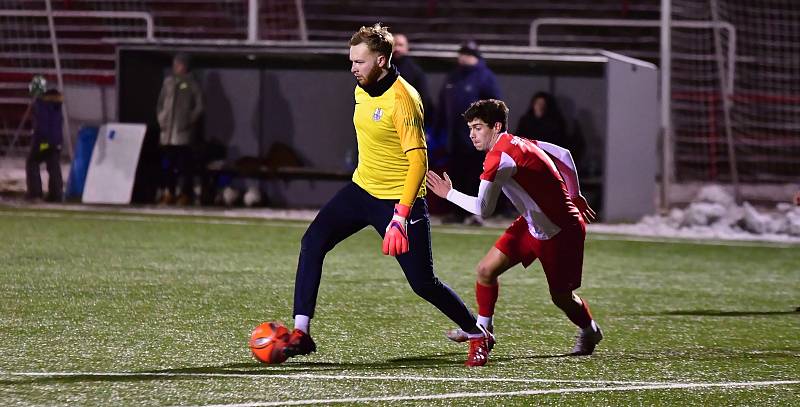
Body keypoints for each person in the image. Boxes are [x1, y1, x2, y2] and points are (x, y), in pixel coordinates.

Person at [280, 24, 493, 367]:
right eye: (351, 61)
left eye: (359, 62)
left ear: (381, 60)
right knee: (312, 242)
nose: (353, 68)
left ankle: (477, 332)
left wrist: (400, 214)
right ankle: (301, 332)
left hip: (399, 200)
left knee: (423, 283)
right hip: (362, 189)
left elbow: (419, 160)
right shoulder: (361, 87)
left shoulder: (404, 99)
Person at [426, 99, 604, 356]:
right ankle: (484, 333)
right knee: (486, 270)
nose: (472, 134)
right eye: (470, 128)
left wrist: (449, 194)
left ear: (496, 126)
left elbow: (483, 209)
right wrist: (575, 194)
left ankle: (590, 330)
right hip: (532, 223)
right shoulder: (519, 141)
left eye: (477, 127)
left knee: (562, 298)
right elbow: (564, 155)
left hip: (560, 232)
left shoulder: (499, 158)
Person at [434, 41, 501, 224]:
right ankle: (458, 212)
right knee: (456, 175)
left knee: (475, 176)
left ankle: (476, 213)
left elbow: (494, 106)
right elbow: (443, 104)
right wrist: (438, 129)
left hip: (477, 139)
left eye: (468, 54)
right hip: (454, 137)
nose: (464, 57)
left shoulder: (484, 77)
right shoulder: (453, 77)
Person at [156, 52, 204, 206]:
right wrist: (161, 119)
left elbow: (200, 106)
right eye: (175, 64)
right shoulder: (168, 82)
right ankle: (168, 192)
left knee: (184, 166)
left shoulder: (192, 83)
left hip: (183, 135)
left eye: (179, 64)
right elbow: (160, 103)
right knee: (167, 166)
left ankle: (184, 194)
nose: (176, 67)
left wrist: (188, 121)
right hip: (167, 134)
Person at [515, 91, 584, 166]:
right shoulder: (526, 121)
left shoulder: (556, 123)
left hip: (550, 163)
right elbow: (519, 140)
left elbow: (560, 143)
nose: (540, 107)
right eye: (537, 104)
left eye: (543, 104)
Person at [25, 87, 64, 202]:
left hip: (44, 142)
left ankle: (35, 193)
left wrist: (41, 141)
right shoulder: (58, 106)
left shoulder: (42, 104)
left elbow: (42, 125)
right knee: (53, 166)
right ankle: (56, 194)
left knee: (32, 162)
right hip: (56, 141)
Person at [392, 33, 434, 126]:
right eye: (394, 45)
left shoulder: (415, 71)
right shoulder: (381, 69)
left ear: (407, 48)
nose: (397, 48)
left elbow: (423, 98)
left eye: (400, 45)